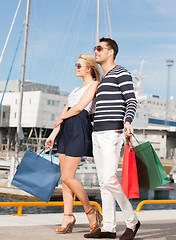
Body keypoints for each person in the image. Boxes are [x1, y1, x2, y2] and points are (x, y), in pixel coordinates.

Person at [84, 38, 140, 240]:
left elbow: (131, 100)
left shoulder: (121, 72)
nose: (95, 51)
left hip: (112, 132)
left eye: (99, 48)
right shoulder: (103, 78)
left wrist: (127, 121)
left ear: (111, 52)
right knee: (102, 182)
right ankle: (109, 227)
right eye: (95, 48)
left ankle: (132, 221)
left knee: (109, 179)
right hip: (97, 132)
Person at [45, 53, 103, 234]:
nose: (76, 68)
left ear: (89, 68)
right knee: (65, 179)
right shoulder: (74, 90)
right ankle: (67, 216)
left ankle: (91, 211)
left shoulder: (94, 84)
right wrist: (53, 134)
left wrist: (62, 116)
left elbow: (79, 108)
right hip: (66, 129)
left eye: (79, 65)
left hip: (79, 126)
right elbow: (65, 111)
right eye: (75, 65)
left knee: (68, 177)